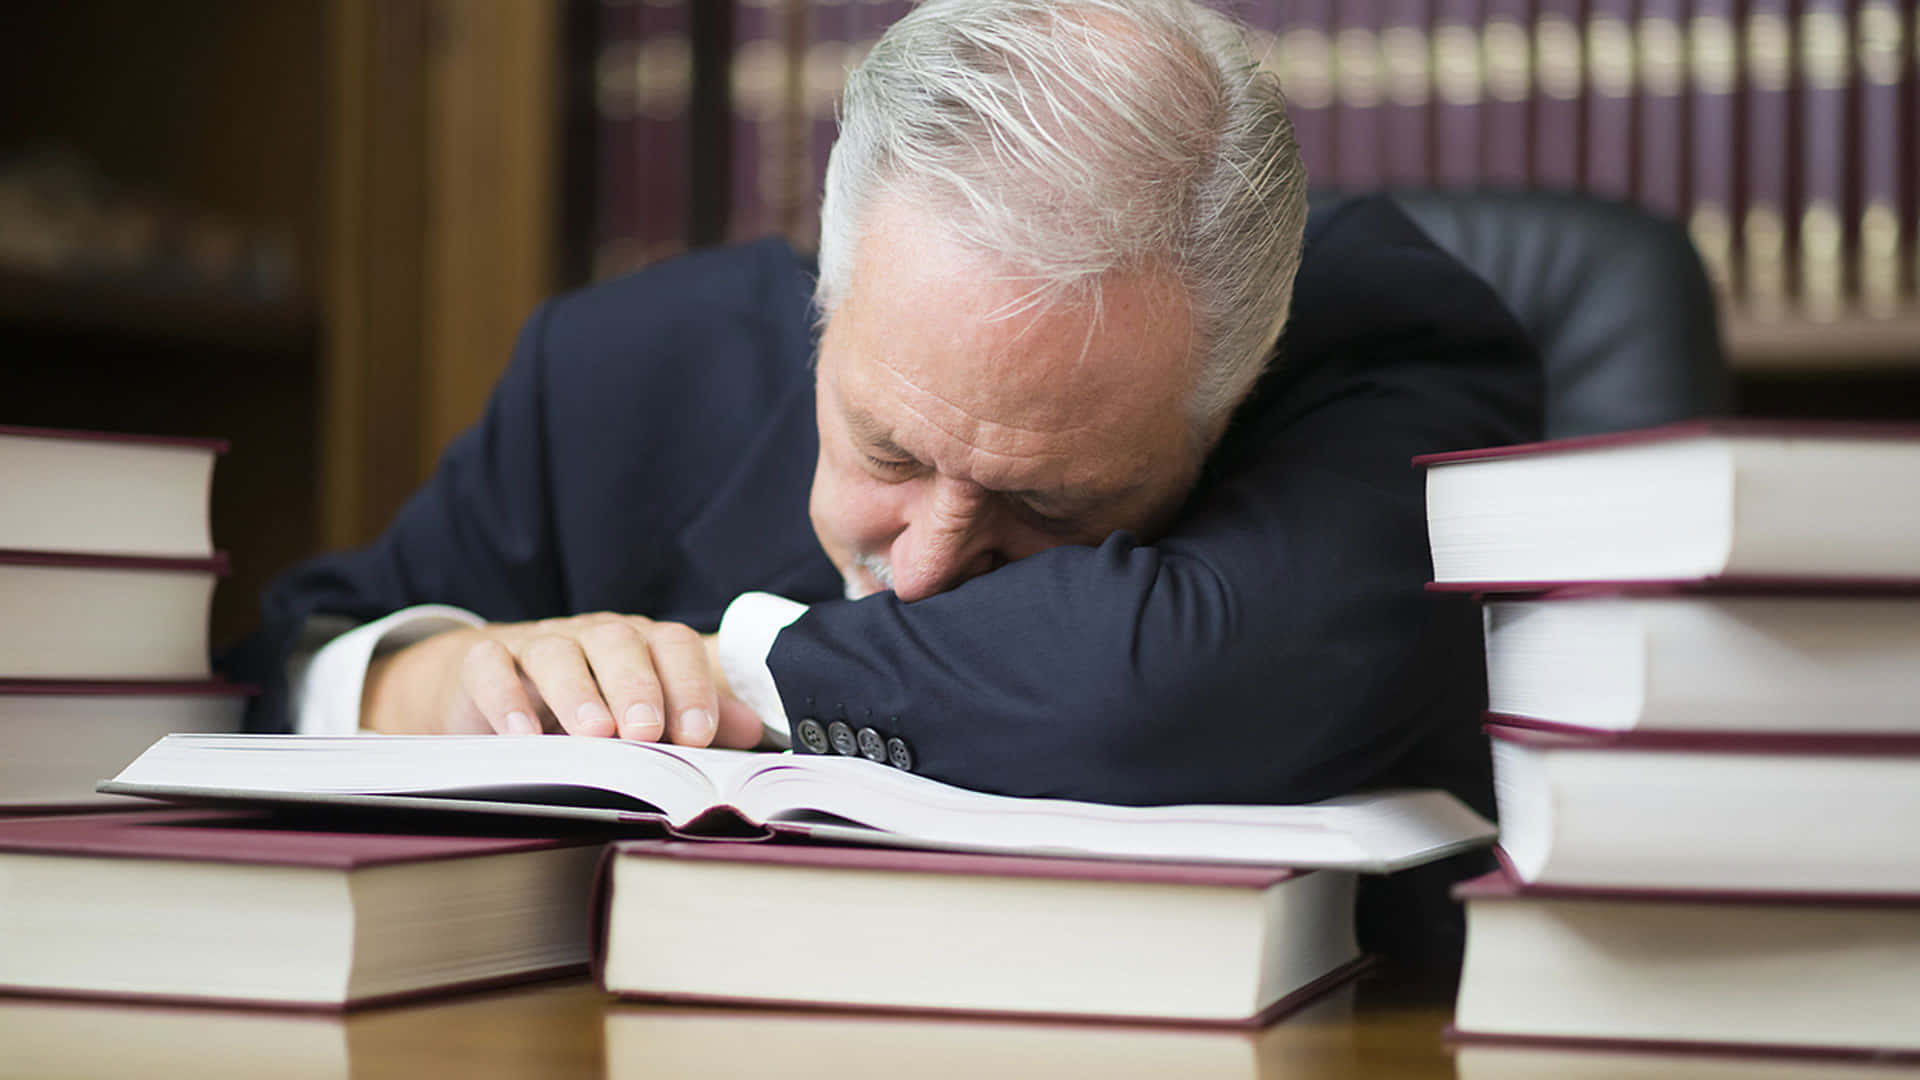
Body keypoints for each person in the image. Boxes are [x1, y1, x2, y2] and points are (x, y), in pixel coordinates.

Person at [224, 0, 1538, 966]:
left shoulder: (1384, 340)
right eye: (888, 454)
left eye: (1052, 506)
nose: (919, 565)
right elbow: (289, 656)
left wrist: (725, 677)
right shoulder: (622, 373)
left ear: (1233, 386)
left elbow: (1173, 690)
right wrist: (424, 683)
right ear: (831, 297)